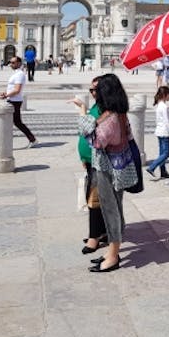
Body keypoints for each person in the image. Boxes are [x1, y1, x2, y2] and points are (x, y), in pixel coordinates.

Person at [82, 73, 133, 273]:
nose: (96, 94)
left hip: (108, 169)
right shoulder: (117, 113)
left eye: (98, 90)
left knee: (110, 211)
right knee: (114, 209)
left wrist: (83, 118)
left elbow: (96, 141)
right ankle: (112, 250)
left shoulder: (111, 117)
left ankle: (113, 256)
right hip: (114, 167)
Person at [72, 77, 107, 255]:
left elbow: (89, 130)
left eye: (95, 90)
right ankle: (103, 232)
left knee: (94, 200)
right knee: (96, 198)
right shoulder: (97, 106)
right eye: (90, 90)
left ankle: (95, 237)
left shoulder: (107, 109)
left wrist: (83, 110)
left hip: (101, 162)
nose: (92, 93)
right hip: (91, 160)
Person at [0, 56, 37, 148]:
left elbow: (17, 90)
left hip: (15, 101)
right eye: (10, 62)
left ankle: (32, 139)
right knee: (15, 122)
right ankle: (32, 139)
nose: (11, 64)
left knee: (16, 122)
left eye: (13, 62)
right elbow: (13, 88)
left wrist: (6, 95)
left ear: (19, 63)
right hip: (11, 100)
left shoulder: (20, 74)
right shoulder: (16, 74)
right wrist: (6, 93)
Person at [147, 86, 169, 178]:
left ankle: (163, 171)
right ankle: (152, 167)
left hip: (159, 131)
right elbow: (167, 122)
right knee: (166, 153)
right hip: (164, 132)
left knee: (162, 153)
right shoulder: (164, 107)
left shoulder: (159, 105)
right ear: (165, 95)